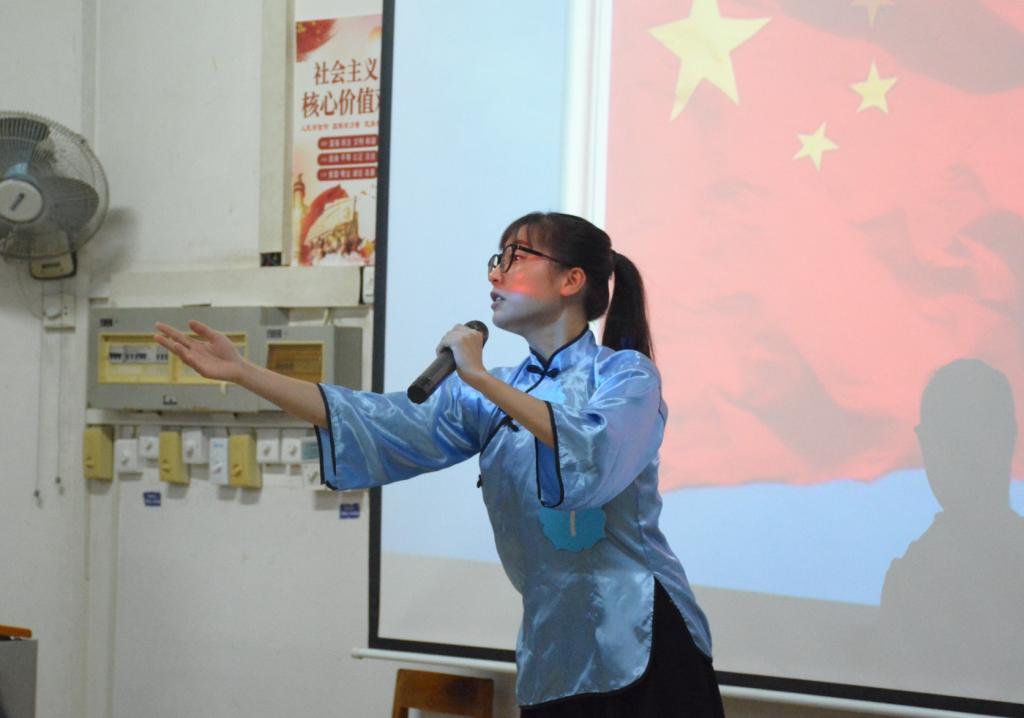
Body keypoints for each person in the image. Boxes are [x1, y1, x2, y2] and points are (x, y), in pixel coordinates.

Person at [155, 211, 724, 717]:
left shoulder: (624, 375)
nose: (495, 274)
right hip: (553, 650)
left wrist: (477, 375)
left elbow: (594, 452)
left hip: (644, 639)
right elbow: (376, 420)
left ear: (572, 281)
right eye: (496, 259)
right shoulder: (494, 394)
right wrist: (244, 374)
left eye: (516, 257)